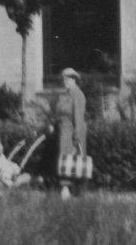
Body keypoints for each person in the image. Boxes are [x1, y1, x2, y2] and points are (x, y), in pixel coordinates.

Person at [55, 67, 87, 199]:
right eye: (64, 78)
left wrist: (77, 136)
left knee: (71, 160)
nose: (65, 81)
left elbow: (78, 117)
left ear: (74, 79)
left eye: (68, 78)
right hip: (64, 131)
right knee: (65, 160)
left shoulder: (77, 94)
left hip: (72, 131)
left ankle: (69, 189)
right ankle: (67, 188)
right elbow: (60, 113)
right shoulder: (65, 94)